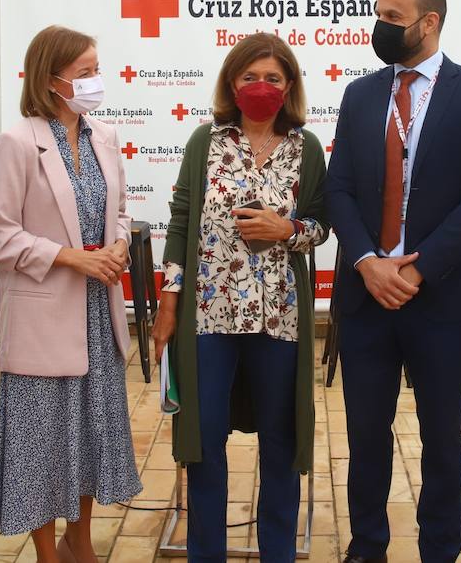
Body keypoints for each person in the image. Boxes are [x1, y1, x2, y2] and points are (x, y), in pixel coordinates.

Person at [325, 0, 461, 563]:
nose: (380, 26)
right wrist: (367, 263)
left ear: (429, 23)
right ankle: (367, 546)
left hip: (442, 299)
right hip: (366, 297)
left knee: (442, 439)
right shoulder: (360, 95)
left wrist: (417, 269)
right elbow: (341, 189)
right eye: (378, 13)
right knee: (365, 435)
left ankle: (439, 550)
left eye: (393, 16)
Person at [153, 33, 328, 563]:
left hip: (279, 317)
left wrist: (286, 229)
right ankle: (206, 554)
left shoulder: (307, 147)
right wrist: (170, 297)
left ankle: (279, 553)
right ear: (233, 83)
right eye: (250, 77)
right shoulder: (205, 142)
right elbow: (181, 221)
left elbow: (321, 226)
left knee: (280, 442)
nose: (261, 86)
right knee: (204, 444)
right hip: (210, 313)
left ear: (289, 86)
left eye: (273, 78)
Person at [0, 25, 140, 563]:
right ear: (52, 81)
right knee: (43, 444)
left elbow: (116, 214)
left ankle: (80, 539)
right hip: (46, 314)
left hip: (99, 313)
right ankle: (49, 552)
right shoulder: (16, 143)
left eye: (98, 69)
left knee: (92, 435)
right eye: (85, 73)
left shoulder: (105, 138)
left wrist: (117, 246)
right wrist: (71, 257)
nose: (96, 81)